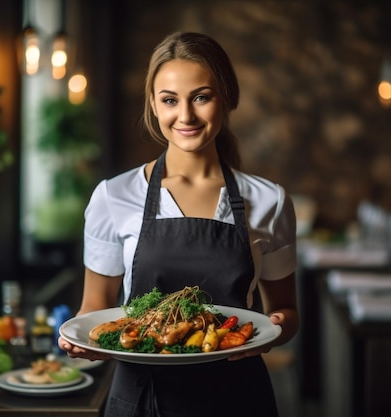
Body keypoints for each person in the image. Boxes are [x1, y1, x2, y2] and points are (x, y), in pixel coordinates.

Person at [58, 31, 299, 417]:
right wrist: (81, 341)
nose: (185, 116)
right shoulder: (113, 196)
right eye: (169, 100)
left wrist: (272, 331)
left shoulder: (269, 201)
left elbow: (286, 311)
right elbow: (95, 309)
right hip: (141, 399)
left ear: (228, 99)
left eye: (201, 97)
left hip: (238, 399)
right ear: (154, 105)